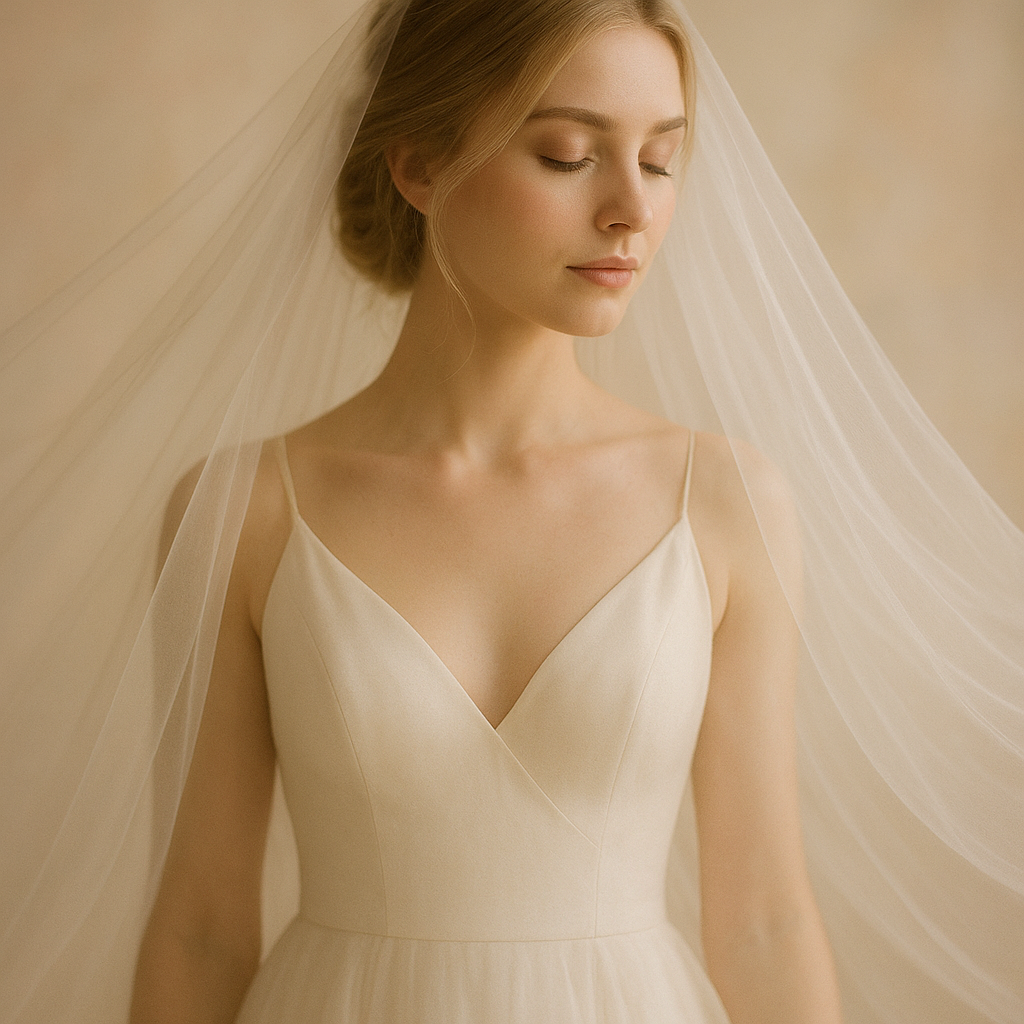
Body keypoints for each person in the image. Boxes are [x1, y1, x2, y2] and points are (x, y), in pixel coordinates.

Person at [1, 1, 1021, 1023]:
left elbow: (762, 919)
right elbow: (199, 925)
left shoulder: (724, 503)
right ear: (418, 164)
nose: (631, 208)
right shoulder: (241, 509)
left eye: (661, 161)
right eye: (569, 154)